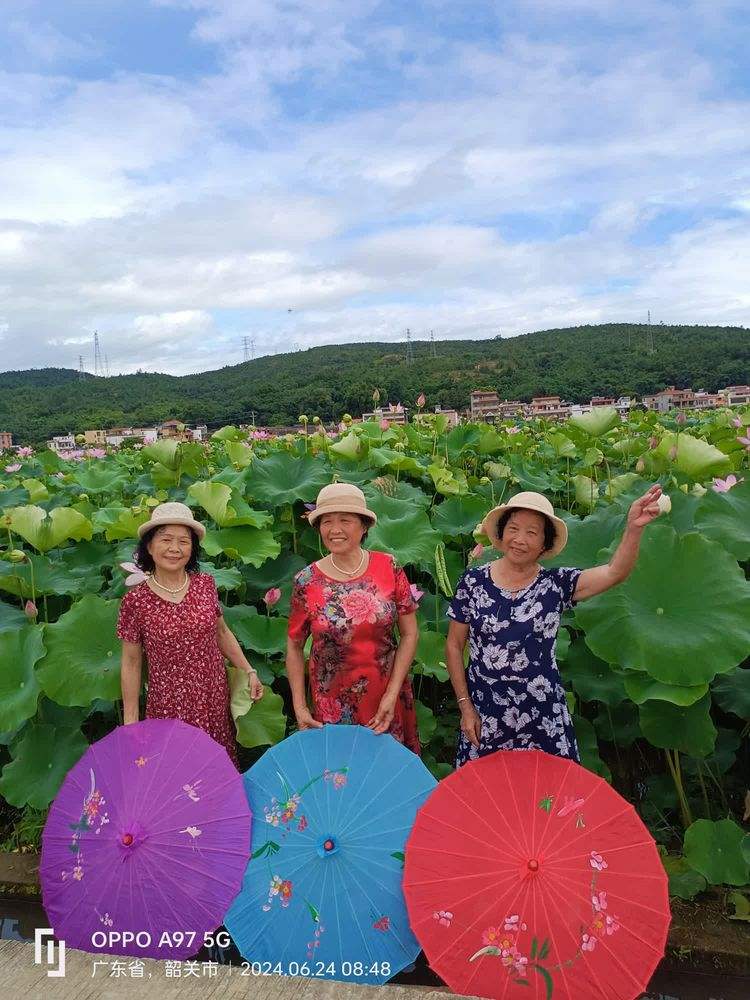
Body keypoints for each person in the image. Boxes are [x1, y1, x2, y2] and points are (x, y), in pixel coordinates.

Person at [445, 486, 663, 766]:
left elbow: (614, 572)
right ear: (500, 533)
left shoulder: (555, 585)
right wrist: (465, 707)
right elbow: (453, 645)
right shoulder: (473, 582)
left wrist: (633, 528)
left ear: (545, 544)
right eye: (513, 528)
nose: (520, 539)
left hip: (543, 716)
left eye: (532, 533)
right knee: (487, 801)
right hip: (486, 715)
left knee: (548, 801)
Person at [116, 502, 263, 766]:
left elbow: (221, 632)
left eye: (184, 541)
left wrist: (248, 670)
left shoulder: (205, 584)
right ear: (149, 546)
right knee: (175, 773)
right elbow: (131, 662)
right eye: (166, 540)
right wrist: (131, 722)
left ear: (192, 549)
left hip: (212, 694)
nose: (175, 548)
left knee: (216, 768)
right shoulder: (135, 601)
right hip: (169, 702)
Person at [286, 483, 420, 753]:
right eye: (327, 522)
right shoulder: (307, 580)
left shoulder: (389, 567)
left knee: (385, 773)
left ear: (364, 526)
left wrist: (392, 693)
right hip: (331, 700)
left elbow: (410, 633)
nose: (335, 530)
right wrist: (300, 707)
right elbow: (294, 645)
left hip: (385, 694)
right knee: (339, 777)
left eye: (345, 520)